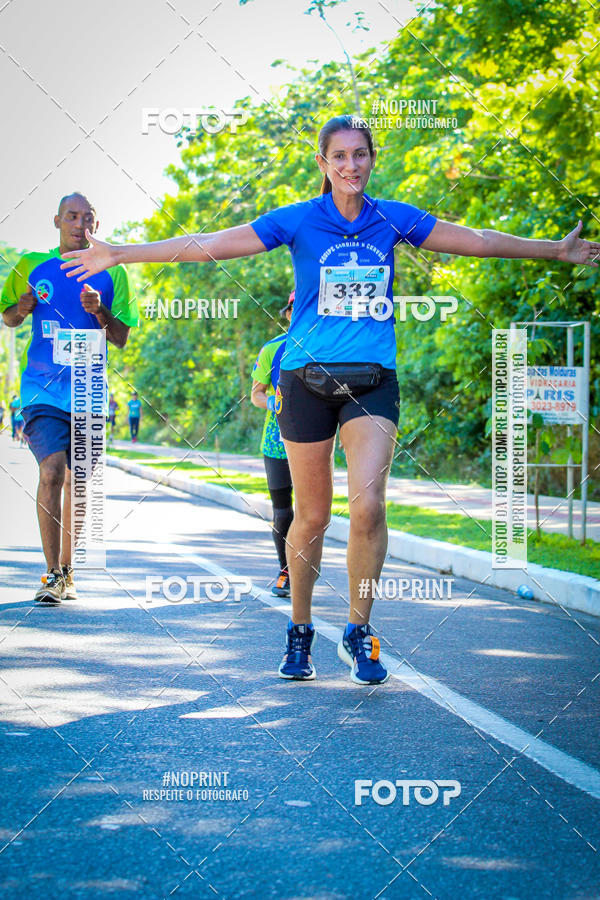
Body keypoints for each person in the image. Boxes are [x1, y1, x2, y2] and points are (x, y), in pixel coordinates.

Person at [60, 115, 599, 684]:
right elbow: (211, 246)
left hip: (372, 381)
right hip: (304, 382)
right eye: (339, 156)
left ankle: (360, 630)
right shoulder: (299, 220)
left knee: (369, 508)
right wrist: (122, 253)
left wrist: (554, 252)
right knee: (312, 515)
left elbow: (478, 243)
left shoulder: (393, 218)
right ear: (324, 164)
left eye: (360, 154)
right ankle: (300, 630)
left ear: (372, 158)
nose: (351, 166)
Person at [0, 192, 138, 604]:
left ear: (96, 224)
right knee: (52, 471)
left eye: (88, 218)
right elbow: (8, 317)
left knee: (79, 483)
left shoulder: (113, 271)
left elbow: (121, 338)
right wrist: (22, 307)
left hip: (89, 392)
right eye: (72, 217)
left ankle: (68, 570)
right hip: (42, 387)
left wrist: (100, 313)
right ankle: (51, 573)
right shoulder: (30, 265)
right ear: (56, 221)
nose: (80, 224)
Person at [251, 290, 295, 598]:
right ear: (289, 313)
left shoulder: (328, 348)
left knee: (311, 510)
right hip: (276, 441)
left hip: (316, 439)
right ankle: (285, 569)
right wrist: (273, 402)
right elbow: (256, 394)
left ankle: (303, 566)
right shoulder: (273, 349)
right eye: (294, 307)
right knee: (283, 512)